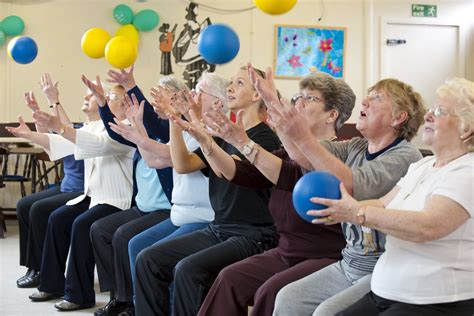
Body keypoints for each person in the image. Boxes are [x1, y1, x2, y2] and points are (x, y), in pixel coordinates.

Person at [308, 78, 473, 316]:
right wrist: (339, 209)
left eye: (440, 111)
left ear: (466, 128)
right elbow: (383, 204)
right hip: (386, 292)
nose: (428, 116)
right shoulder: (424, 165)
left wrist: (357, 213)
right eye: (431, 110)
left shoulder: (467, 171)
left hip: (434, 300)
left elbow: (427, 227)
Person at [197, 71, 355, 316]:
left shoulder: (341, 154)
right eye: (299, 97)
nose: (299, 104)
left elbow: (290, 172)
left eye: (310, 99)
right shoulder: (289, 151)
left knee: (269, 292)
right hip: (286, 250)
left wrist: (241, 141)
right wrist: (208, 140)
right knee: (229, 279)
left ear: (332, 115)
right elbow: (243, 173)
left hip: (323, 255)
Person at [268, 76, 426, 315]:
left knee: (326, 313)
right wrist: (276, 108)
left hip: (382, 268)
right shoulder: (356, 146)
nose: (364, 101)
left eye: (376, 98)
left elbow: (350, 185)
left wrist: (301, 134)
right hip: (349, 262)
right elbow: (303, 155)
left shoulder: (407, 156)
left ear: (399, 117)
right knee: (288, 299)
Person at [133, 65, 281, 316]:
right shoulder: (224, 134)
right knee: (148, 259)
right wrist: (174, 120)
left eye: (239, 83)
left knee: (188, 270)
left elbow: (232, 171)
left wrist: (201, 131)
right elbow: (182, 164)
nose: (230, 87)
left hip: (254, 234)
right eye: (230, 82)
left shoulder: (266, 139)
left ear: (258, 95)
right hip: (219, 227)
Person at [102, 72, 229, 316]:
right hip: (180, 215)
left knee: (152, 256)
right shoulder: (192, 129)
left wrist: (146, 130)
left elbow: (177, 160)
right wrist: (137, 127)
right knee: (136, 244)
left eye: (199, 91)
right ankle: (142, 307)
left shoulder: (212, 134)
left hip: (201, 219)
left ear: (217, 103)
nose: (192, 94)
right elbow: (153, 160)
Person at [25, 76, 134, 312]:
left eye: (108, 97)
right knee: (58, 218)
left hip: (118, 201)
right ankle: (52, 283)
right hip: (93, 198)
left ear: (125, 104)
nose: (92, 98)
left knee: (81, 224)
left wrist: (57, 119)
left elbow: (97, 144)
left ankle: (79, 294)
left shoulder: (126, 129)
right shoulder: (94, 126)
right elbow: (67, 142)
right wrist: (30, 135)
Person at [88, 68, 179, 316]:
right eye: (157, 94)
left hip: (165, 210)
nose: (159, 99)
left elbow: (155, 124)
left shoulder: (174, 131)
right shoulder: (146, 132)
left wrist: (131, 85)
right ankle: (118, 295)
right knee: (100, 229)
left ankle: (129, 301)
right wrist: (103, 104)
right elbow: (114, 130)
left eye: (166, 95)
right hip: (142, 207)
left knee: (122, 235)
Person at [14, 74, 84, 289]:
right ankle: (33, 267)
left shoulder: (83, 133)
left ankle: (41, 269)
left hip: (82, 191)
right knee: (24, 204)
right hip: (66, 188)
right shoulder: (70, 131)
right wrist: (37, 114)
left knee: (38, 209)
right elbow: (49, 144)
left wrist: (54, 100)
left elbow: (66, 127)